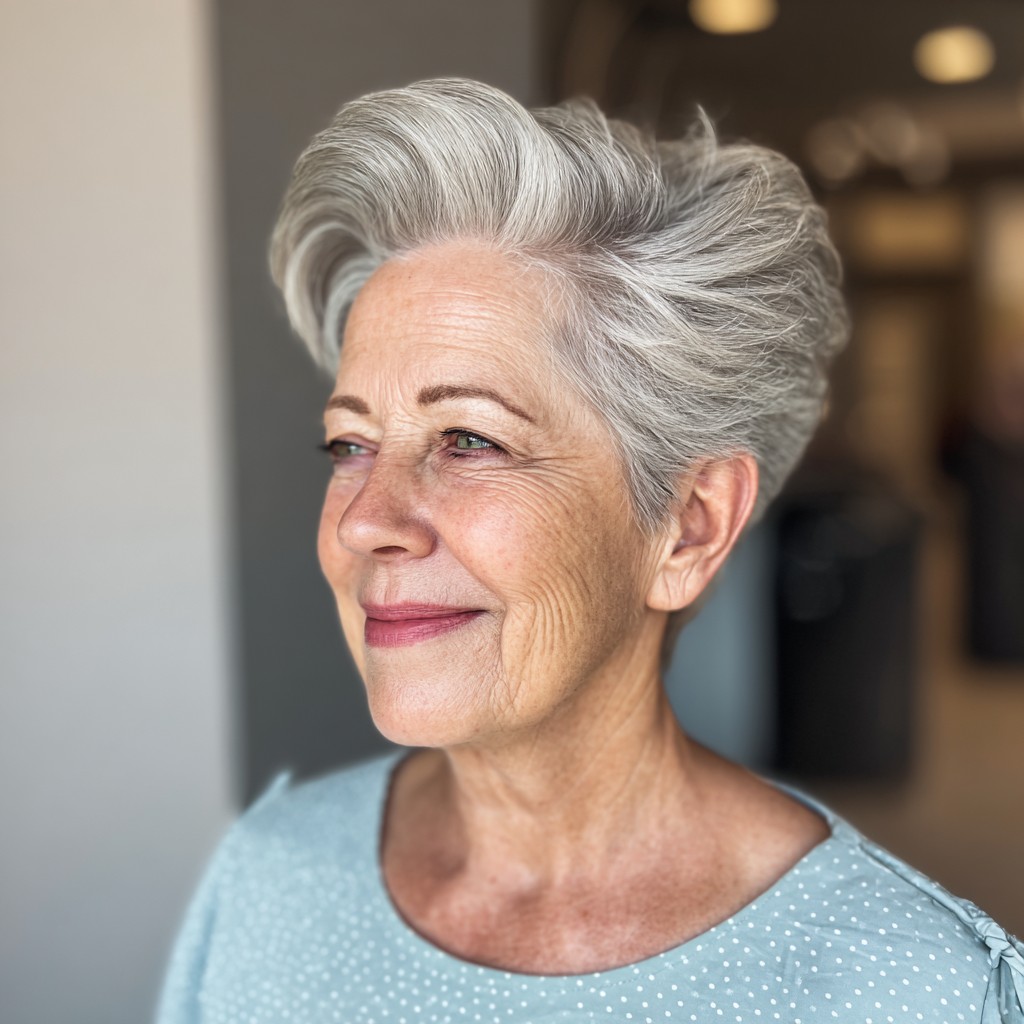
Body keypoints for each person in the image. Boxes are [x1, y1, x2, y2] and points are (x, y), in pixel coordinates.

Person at [155, 78, 1024, 1023]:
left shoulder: (911, 988)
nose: (366, 518)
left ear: (687, 526)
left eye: (469, 440)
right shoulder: (268, 877)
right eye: (351, 445)